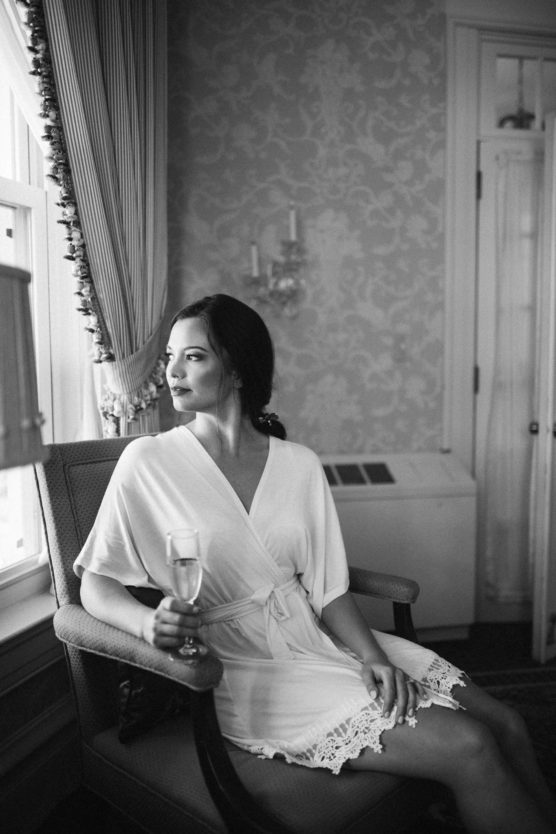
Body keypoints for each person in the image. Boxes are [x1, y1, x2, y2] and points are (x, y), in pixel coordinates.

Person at [76, 294, 555, 834]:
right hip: (247, 667)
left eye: (193, 357)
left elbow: (327, 587)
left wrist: (373, 657)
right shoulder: (149, 462)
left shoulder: (298, 464)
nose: (171, 372)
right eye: (170, 356)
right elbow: (96, 582)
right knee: (470, 745)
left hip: (320, 634)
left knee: (508, 725)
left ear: (235, 368)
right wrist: (147, 623)